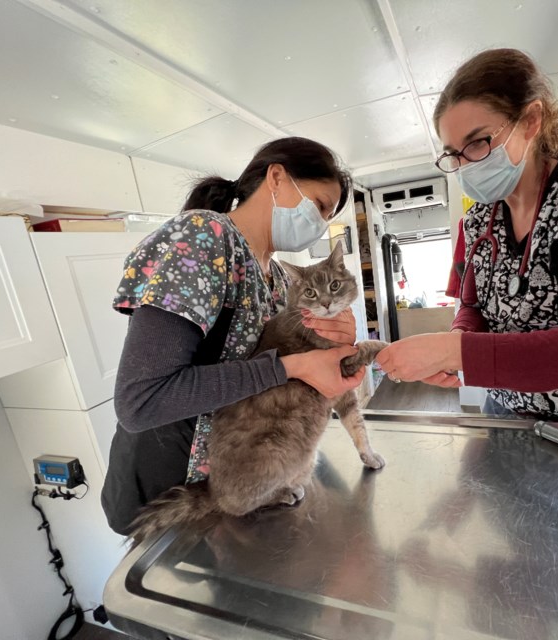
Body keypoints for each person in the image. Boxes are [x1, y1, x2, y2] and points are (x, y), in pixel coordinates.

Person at [375, 48, 558, 425]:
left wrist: (454, 350)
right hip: (508, 412)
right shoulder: (479, 220)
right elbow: (473, 307)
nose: (465, 165)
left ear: (531, 120)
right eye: (453, 154)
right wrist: (459, 340)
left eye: (478, 142)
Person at [101, 137, 364, 536]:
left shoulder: (275, 278)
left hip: (245, 483)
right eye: (320, 206)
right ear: (277, 178)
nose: (322, 223)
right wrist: (291, 365)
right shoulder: (202, 238)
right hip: (175, 494)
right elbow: (141, 401)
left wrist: (336, 339)